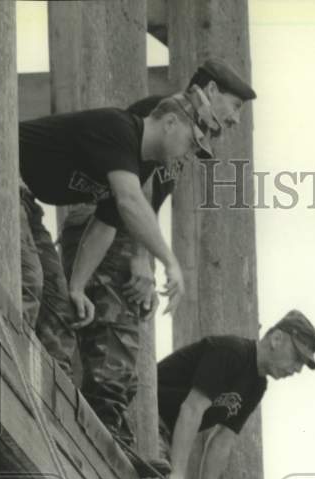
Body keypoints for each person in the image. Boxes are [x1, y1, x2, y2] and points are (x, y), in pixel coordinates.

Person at [58, 58, 257, 449]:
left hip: (121, 230)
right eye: (234, 107)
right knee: (114, 328)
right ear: (211, 91)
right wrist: (139, 257)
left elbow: (152, 198)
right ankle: (100, 431)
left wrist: (142, 257)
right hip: (109, 227)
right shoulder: (162, 113)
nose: (234, 120)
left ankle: (105, 423)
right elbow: (132, 193)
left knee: (120, 326)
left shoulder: (188, 132)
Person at [18, 88, 215, 378]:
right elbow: (129, 202)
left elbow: (105, 225)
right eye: (191, 143)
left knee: (58, 306)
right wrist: (170, 262)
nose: (189, 155)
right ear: (170, 123)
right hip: (1, 171)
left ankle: (39, 404)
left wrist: (77, 287)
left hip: (27, 201)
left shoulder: (138, 164)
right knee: (27, 279)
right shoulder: (119, 129)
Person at [154, 311, 315, 479]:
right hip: (146, 412)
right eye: (297, 358)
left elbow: (223, 440)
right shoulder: (230, 352)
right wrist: (177, 474)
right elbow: (192, 408)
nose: (297, 369)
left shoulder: (257, 385)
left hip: (166, 436)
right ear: (276, 339)